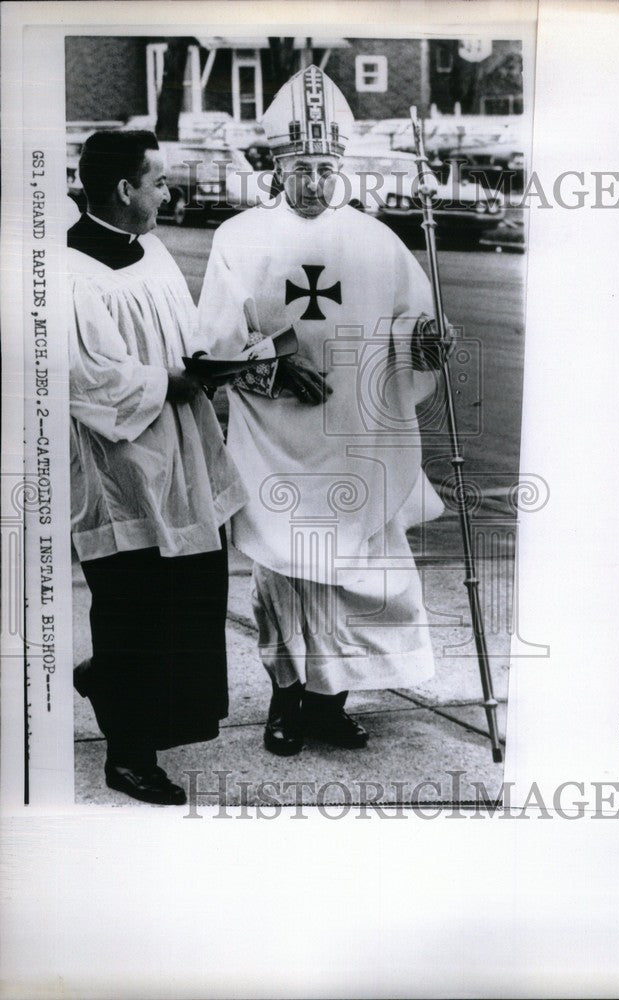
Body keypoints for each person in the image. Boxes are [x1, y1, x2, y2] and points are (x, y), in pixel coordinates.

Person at [197, 66, 449, 757]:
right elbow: (212, 344)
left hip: (356, 439)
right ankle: (286, 702)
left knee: (360, 576)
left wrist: (426, 341)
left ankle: (331, 701)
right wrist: (270, 367)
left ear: (342, 166)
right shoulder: (241, 238)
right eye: (300, 168)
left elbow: (411, 325)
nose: (313, 182)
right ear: (276, 167)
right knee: (286, 574)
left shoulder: (376, 240)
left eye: (325, 168)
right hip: (278, 438)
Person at [68, 130, 247, 804]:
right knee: (133, 603)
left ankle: (111, 680)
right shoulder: (67, 272)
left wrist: (225, 361)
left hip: (185, 451)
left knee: (188, 597)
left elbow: (189, 333)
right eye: (160, 182)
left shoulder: (153, 252)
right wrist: (170, 382)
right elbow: (84, 377)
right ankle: (128, 754)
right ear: (124, 190)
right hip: (121, 466)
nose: (168, 193)